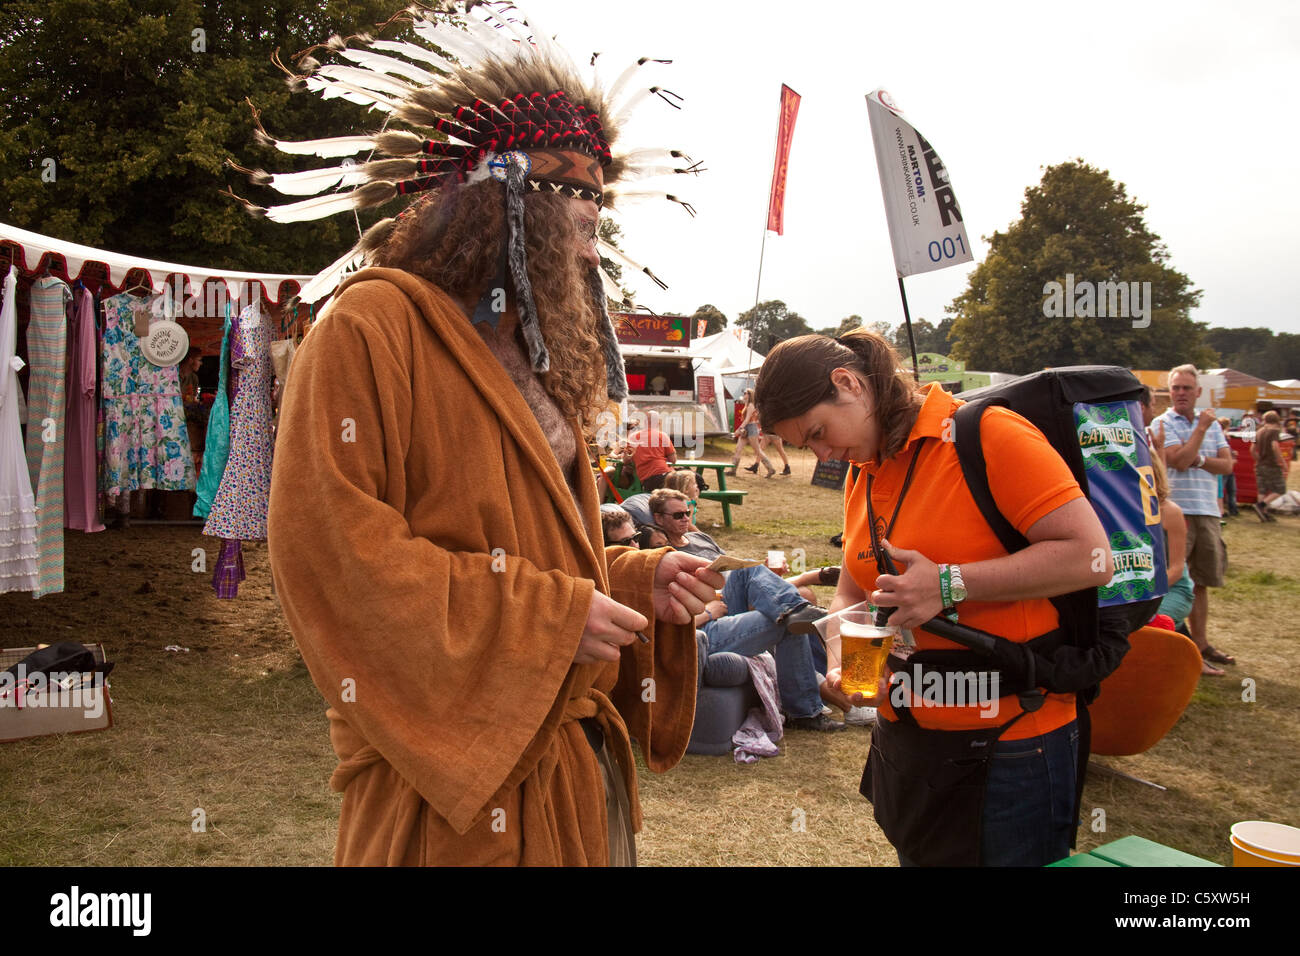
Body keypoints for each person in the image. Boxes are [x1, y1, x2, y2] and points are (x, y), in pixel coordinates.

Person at [259, 3, 723, 866]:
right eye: (583, 226)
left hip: (575, 777)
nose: (592, 257)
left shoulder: (539, 360)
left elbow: (548, 555)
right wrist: (545, 622)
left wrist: (635, 580)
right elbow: (326, 550)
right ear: (511, 210)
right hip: (449, 796)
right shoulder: (372, 327)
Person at [755, 330, 1112, 867]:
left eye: (819, 433)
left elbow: (1092, 556)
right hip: (911, 746)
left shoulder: (988, 435)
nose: (823, 454)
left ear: (848, 383)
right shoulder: (865, 468)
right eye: (809, 446)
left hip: (1011, 741)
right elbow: (855, 587)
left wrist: (950, 583)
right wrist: (850, 669)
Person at [648, 487, 841, 731]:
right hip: (706, 622)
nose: (685, 518)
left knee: (750, 570)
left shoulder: (700, 538)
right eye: (677, 515)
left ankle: (792, 608)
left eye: (688, 512)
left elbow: (734, 571)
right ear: (658, 518)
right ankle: (805, 711)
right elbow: (666, 613)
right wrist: (708, 612)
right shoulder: (660, 552)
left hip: (728, 599)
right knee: (788, 621)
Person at [1152, 365, 1237, 670]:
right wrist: (1200, 433)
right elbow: (1179, 460)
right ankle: (1178, 649)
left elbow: (1228, 467)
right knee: (1175, 581)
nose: (1181, 393)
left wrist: (1199, 455)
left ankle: (1200, 645)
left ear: (1198, 392)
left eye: (1187, 388)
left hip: (1206, 509)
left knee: (1201, 581)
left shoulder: (1213, 425)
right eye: (1176, 388)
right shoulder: (1165, 422)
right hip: (1177, 512)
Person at [626, 410, 677, 493]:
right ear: (658, 423)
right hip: (663, 473)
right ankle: (689, 504)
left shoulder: (632, 437)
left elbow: (626, 459)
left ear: (645, 422)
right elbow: (673, 460)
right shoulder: (662, 435)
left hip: (645, 479)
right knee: (687, 480)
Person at [727, 388, 775, 477]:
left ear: (749, 395)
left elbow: (747, 420)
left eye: (745, 393)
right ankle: (733, 470)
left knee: (757, 450)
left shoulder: (751, 405)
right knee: (738, 449)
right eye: (744, 393)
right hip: (746, 429)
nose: (744, 394)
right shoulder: (747, 405)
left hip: (751, 428)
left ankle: (770, 469)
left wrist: (738, 430)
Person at [1252, 410, 1287, 521]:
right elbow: (1275, 446)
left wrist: (1259, 460)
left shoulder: (1259, 431)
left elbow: (1252, 449)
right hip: (1271, 464)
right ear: (1276, 420)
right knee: (1280, 489)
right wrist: (1282, 462)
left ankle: (1263, 514)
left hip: (1260, 464)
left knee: (1262, 489)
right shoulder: (1274, 431)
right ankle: (1261, 505)